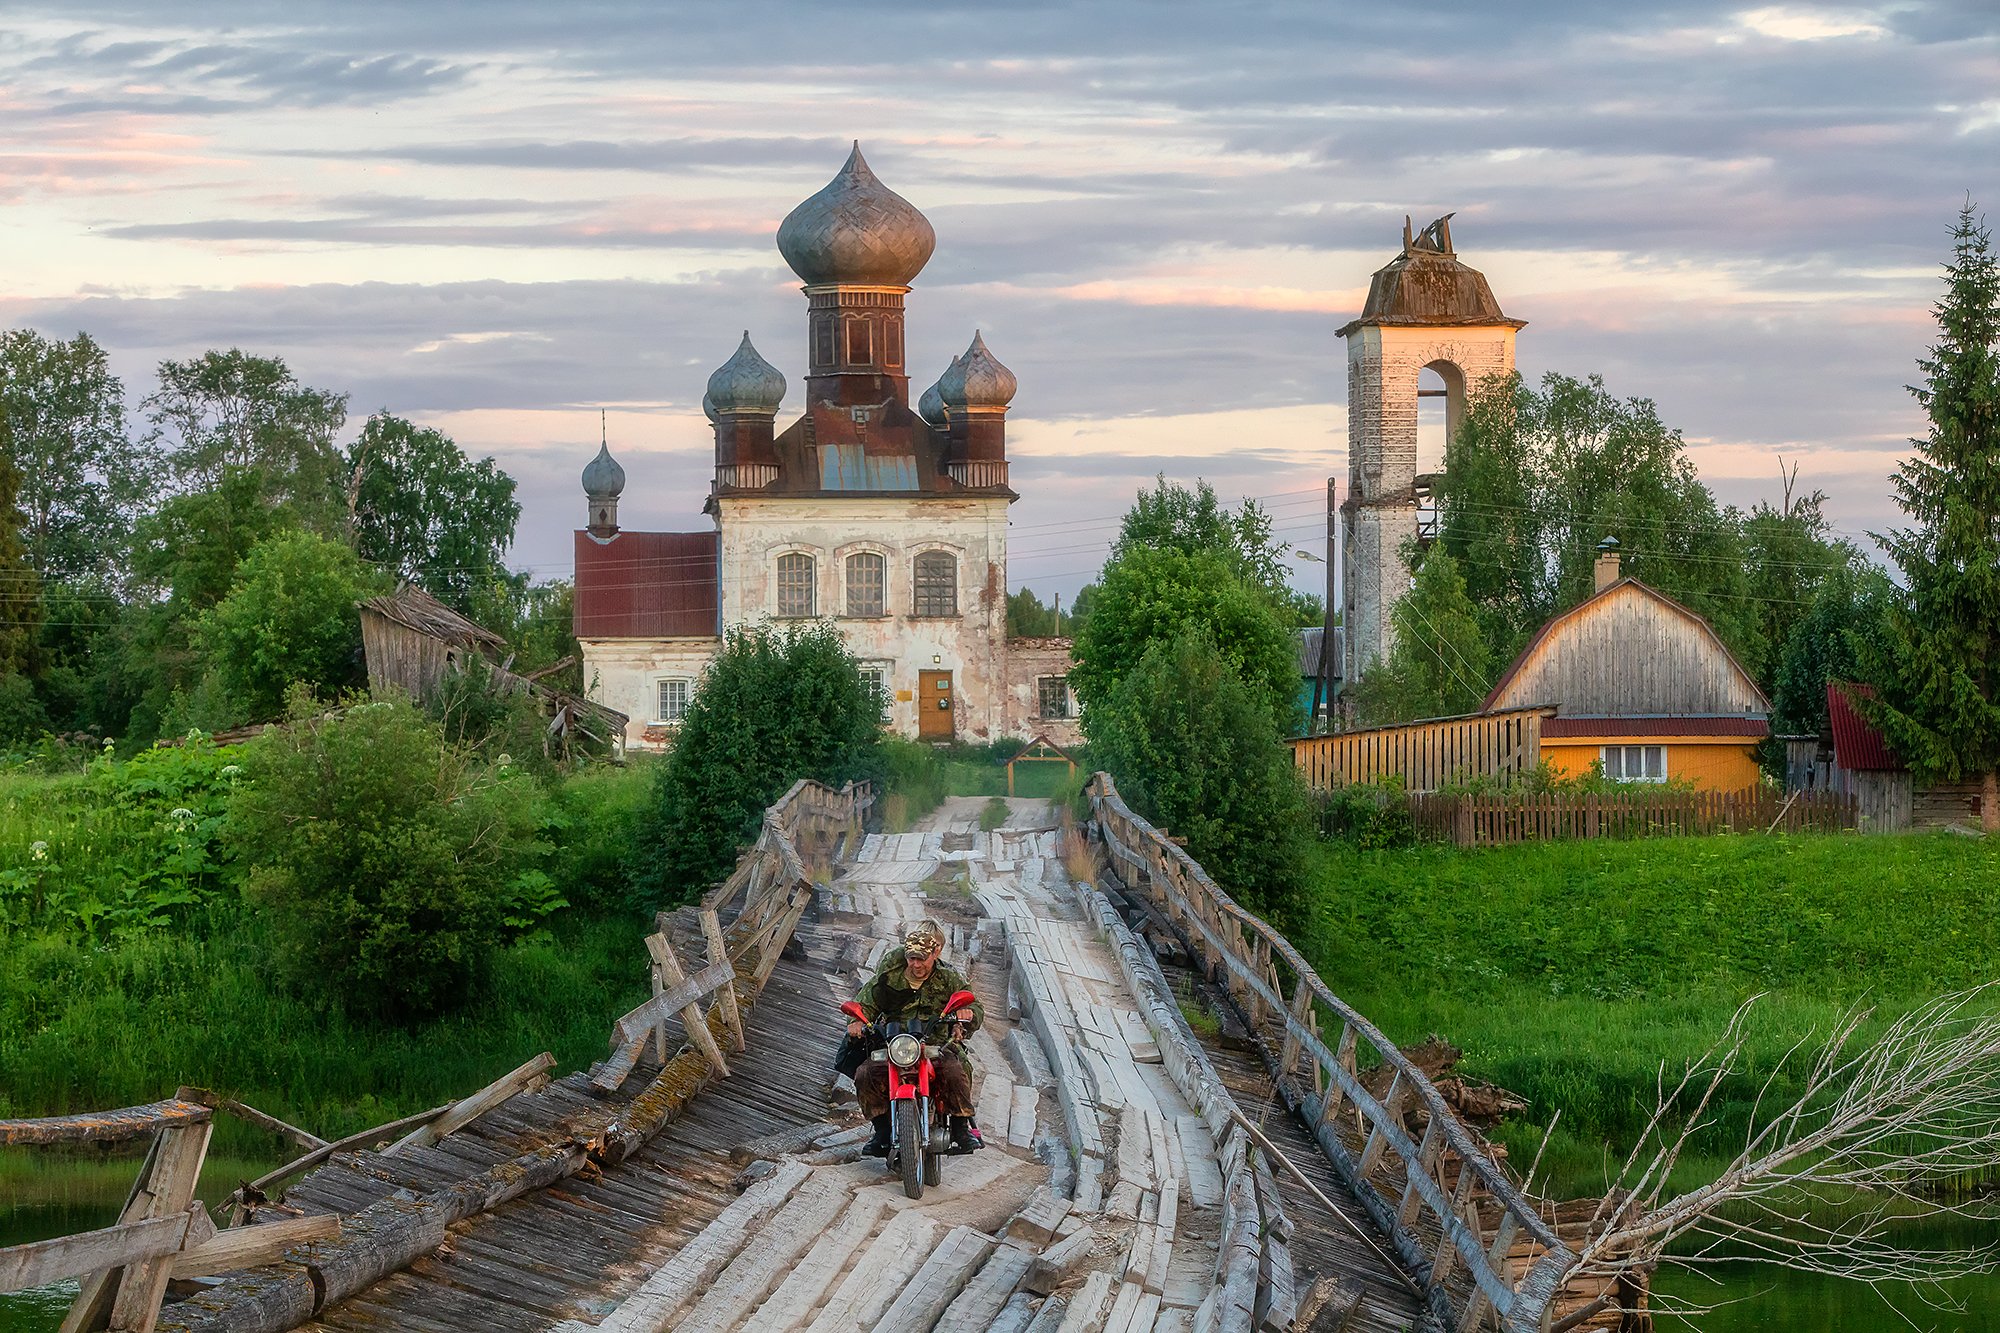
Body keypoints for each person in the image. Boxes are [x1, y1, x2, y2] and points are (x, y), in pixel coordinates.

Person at [846, 919, 984, 1157]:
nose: (916, 964)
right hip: (895, 1043)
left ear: (934, 954)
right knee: (865, 1073)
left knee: (955, 1069)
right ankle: (880, 1132)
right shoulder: (890, 977)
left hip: (936, 1042)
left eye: (922, 958)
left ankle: (961, 1128)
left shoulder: (948, 978)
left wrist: (967, 1014)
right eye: (912, 958)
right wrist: (856, 1021)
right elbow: (866, 1001)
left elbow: (974, 1005)